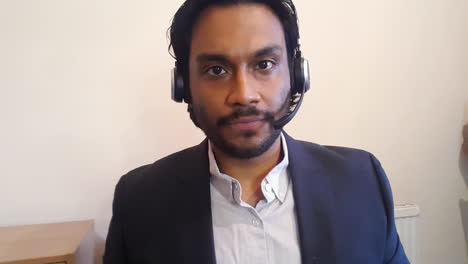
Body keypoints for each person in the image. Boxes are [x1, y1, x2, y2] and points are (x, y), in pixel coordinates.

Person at [103, 0, 409, 263]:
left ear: (297, 75)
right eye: (216, 70)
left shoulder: (361, 180)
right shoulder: (139, 200)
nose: (244, 94)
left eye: (264, 64)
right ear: (183, 87)